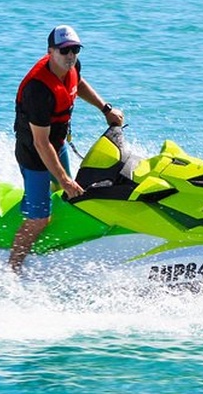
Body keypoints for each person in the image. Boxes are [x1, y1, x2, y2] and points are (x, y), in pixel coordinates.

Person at [9, 25, 124, 273]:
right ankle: (13, 266)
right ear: (50, 51)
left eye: (75, 50)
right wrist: (63, 178)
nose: (70, 55)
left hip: (56, 144)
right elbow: (41, 143)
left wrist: (105, 109)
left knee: (66, 190)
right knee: (41, 217)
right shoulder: (38, 90)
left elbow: (78, 84)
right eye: (64, 51)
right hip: (34, 155)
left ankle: (42, 203)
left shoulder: (71, 67)